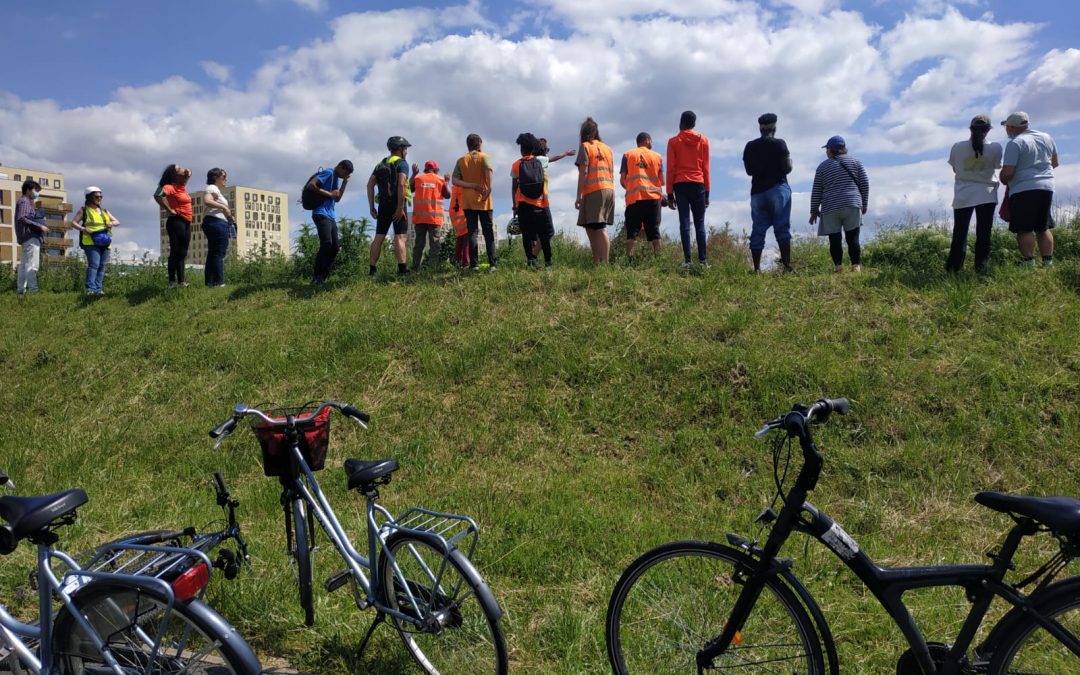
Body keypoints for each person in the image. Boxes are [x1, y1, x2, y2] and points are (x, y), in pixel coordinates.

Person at [999, 111, 1058, 267]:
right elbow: (1055, 163)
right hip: (1047, 186)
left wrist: (1002, 178)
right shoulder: (1046, 137)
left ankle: (1029, 262)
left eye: (1006, 127)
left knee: (1024, 228)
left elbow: (1008, 172)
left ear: (1011, 127)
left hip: (1024, 188)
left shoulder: (1015, 143)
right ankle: (1047, 262)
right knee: (1043, 226)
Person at [946, 115, 1003, 273]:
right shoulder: (996, 147)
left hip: (964, 193)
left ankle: (954, 268)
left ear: (970, 129)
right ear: (988, 130)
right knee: (984, 232)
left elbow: (955, 168)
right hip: (987, 193)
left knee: (960, 232)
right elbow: (997, 166)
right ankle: (981, 268)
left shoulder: (957, 147)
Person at [809, 136, 869, 272]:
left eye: (827, 149)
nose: (826, 152)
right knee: (853, 237)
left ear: (830, 150)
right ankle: (856, 266)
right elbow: (864, 184)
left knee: (834, 239)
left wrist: (813, 210)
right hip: (852, 203)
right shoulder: (856, 162)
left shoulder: (822, 167)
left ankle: (838, 267)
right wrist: (864, 204)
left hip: (830, 206)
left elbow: (817, 190)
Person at [743, 113, 794, 272]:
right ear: (775, 127)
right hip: (778, 189)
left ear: (760, 128)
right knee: (782, 228)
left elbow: (749, 171)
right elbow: (787, 168)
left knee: (758, 229)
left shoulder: (750, 146)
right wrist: (790, 162)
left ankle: (757, 269)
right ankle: (786, 266)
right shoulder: (780, 144)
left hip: (757, 192)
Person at [667, 110, 711, 269]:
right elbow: (706, 168)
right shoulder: (704, 141)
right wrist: (707, 192)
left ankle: (687, 261)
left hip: (680, 184)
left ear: (681, 122)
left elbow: (671, 168)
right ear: (694, 124)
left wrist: (669, 194)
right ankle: (703, 261)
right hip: (698, 183)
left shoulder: (673, 142)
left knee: (684, 221)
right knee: (700, 223)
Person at [366, 137, 411, 276]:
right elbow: (402, 184)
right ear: (400, 149)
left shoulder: (380, 164)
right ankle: (402, 270)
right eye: (405, 148)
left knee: (379, 237)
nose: (407, 151)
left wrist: (371, 206)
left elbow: (369, 185)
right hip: (398, 204)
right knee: (400, 236)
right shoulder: (402, 163)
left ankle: (372, 270)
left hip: (383, 205)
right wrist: (399, 208)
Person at [574, 117, 615, 264]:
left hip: (594, 190)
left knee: (599, 226)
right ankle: (597, 263)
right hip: (608, 189)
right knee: (591, 226)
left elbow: (583, 173)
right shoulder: (607, 148)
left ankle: (605, 263)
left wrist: (578, 196)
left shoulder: (585, 146)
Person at [307, 159, 353, 286]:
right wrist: (329, 194)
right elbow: (311, 185)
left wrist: (344, 182)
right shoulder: (328, 172)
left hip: (331, 215)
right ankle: (317, 276)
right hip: (320, 213)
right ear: (340, 167)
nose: (344, 176)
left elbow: (337, 198)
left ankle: (323, 275)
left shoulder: (337, 178)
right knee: (326, 243)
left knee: (335, 248)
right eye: (345, 173)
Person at [619, 132, 665, 262]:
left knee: (632, 233)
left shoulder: (627, 155)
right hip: (653, 199)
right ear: (647, 140)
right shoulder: (658, 157)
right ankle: (659, 261)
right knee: (655, 232)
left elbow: (622, 180)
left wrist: (631, 188)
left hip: (634, 199)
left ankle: (630, 261)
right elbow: (662, 181)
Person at [453, 134, 496, 271]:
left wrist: (470, 185)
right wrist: (489, 188)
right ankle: (492, 264)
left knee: (472, 232)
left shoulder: (461, 160)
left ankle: (474, 265)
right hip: (484, 200)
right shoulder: (484, 156)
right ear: (479, 144)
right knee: (488, 232)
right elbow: (489, 171)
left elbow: (454, 180)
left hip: (468, 201)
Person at [511, 132, 554, 267]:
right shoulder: (541, 161)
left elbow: (514, 186)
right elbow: (552, 159)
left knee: (527, 234)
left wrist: (515, 205)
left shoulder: (516, 165)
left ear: (521, 149)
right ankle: (548, 261)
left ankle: (531, 260)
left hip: (523, 204)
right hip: (540, 203)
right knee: (544, 234)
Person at [70, 187, 119, 295]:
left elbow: (117, 221)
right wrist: (83, 229)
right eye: (97, 196)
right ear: (89, 197)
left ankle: (98, 289)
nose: (99, 198)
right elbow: (73, 223)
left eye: (101, 196)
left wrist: (112, 223)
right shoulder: (84, 210)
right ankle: (90, 289)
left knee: (102, 266)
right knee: (94, 265)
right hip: (91, 242)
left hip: (105, 242)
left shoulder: (104, 211)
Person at [154, 164, 194, 288]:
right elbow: (157, 194)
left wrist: (188, 172)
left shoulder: (181, 187)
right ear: (174, 174)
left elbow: (188, 174)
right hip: (176, 221)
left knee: (182, 252)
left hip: (186, 222)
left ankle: (181, 282)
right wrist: (169, 209)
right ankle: (172, 282)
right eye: (178, 169)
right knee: (175, 252)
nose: (182, 169)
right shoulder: (169, 187)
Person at [410, 159, 451, 271]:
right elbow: (447, 195)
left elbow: (408, 188)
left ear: (425, 169)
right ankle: (432, 269)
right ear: (436, 170)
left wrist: (413, 174)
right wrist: (447, 182)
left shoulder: (418, 178)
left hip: (420, 218)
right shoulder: (440, 179)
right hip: (434, 218)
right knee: (434, 245)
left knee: (419, 245)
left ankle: (414, 269)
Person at [14, 180, 48, 295]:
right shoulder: (24, 201)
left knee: (24, 265)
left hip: (26, 237)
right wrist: (40, 226)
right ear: (28, 189)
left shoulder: (25, 202)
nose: (37, 193)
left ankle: (20, 291)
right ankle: (34, 291)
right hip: (30, 236)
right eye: (36, 190)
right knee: (32, 265)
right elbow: (22, 218)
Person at [202, 167, 234, 287]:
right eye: (224, 177)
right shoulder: (212, 188)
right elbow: (207, 200)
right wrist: (224, 207)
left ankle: (210, 283)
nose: (226, 179)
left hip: (213, 222)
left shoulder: (216, 190)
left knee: (213, 253)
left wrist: (229, 217)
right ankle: (219, 282)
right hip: (216, 223)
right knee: (218, 253)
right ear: (215, 178)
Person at [450, 184, 470, 268]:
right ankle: (466, 263)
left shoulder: (455, 187)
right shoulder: (464, 187)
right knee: (466, 239)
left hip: (456, 217)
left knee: (460, 239)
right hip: (464, 215)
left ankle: (458, 262)